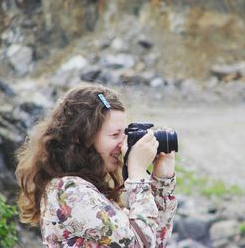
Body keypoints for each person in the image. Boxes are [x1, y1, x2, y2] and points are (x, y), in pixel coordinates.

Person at [15, 83, 177, 248]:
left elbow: (155, 239)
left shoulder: (89, 189)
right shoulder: (69, 192)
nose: (123, 144)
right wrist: (138, 173)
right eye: (115, 135)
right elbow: (140, 244)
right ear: (83, 137)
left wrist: (161, 179)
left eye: (125, 134)